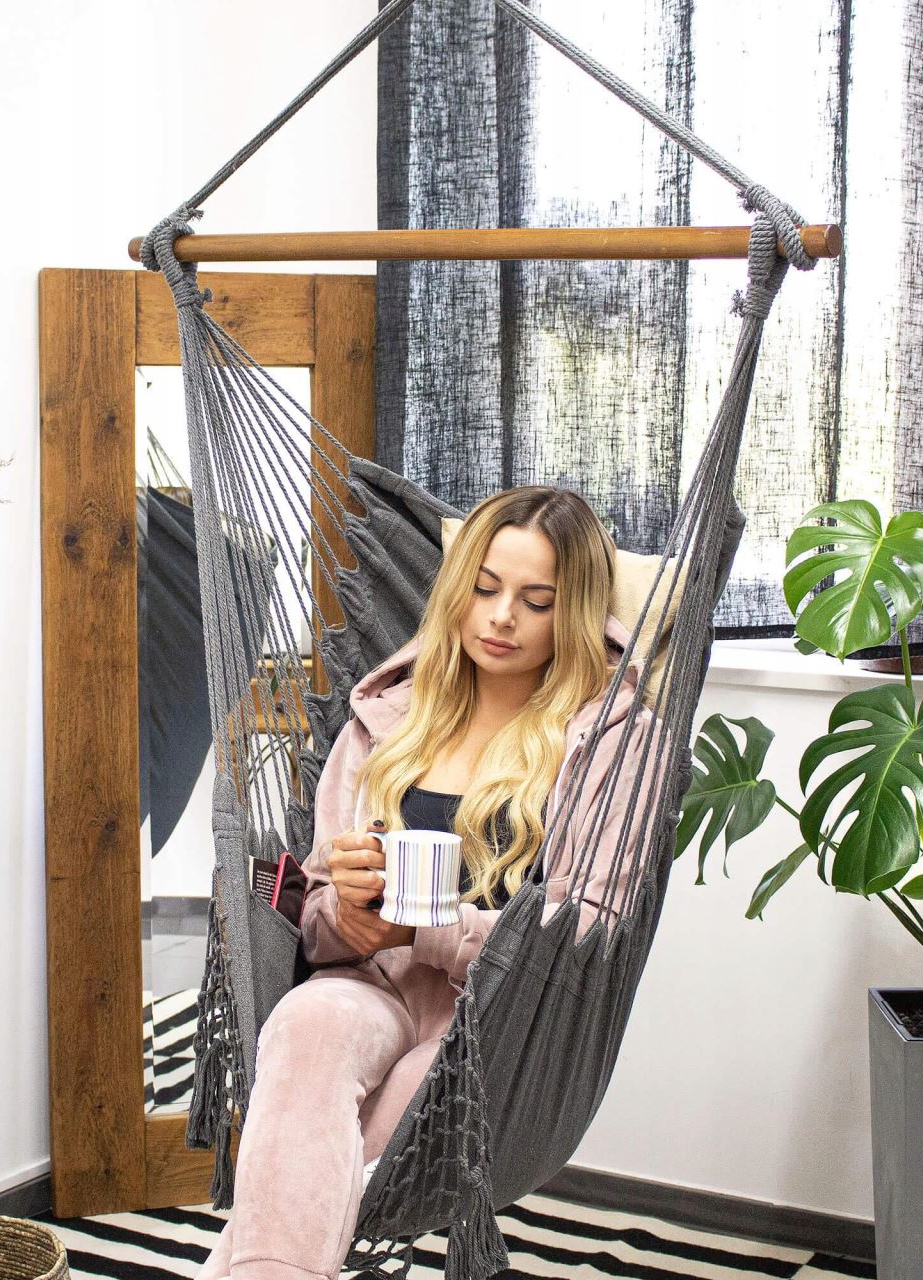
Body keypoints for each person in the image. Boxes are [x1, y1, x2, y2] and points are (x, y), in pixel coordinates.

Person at [197, 486, 660, 1280]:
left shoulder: (612, 740)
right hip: (370, 986)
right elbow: (316, 917)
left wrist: (428, 930)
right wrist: (344, 912)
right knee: (304, 1026)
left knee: (353, 1147)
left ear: (575, 612)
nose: (501, 617)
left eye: (536, 601)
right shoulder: (383, 721)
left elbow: (589, 925)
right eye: (483, 588)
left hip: (493, 1026)